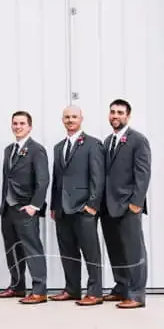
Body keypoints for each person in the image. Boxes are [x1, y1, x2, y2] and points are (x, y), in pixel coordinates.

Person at [48, 105, 105, 306]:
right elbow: (57, 179)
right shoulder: (58, 147)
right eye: (66, 117)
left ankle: (95, 292)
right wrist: (54, 206)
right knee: (68, 251)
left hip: (83, 208)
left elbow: (97, 177)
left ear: (81, 118)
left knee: (91, 252)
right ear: (62, 120)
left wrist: (92, 205)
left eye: (74, 117)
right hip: (62, 209)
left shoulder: (93, 144)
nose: (70, 120)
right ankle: (72, 289)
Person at [0, 112, 49, 304]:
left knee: (32, 249)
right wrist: (3, 205)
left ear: (30, 127)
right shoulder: (9, 150)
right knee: (12, 249)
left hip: (25, 208)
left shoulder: (36, 150)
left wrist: (34, 206)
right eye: (15, 123)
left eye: (22, 124)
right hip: (8, 209)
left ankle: (39, 290)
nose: (18, 127)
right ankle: (17, 286)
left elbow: (43, 181)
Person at [100, 98, 151, 309]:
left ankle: (136, 294)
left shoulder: (138, 140)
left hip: (129, 205)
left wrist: (136, 203)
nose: (115, 116)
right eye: (112, 112)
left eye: (120, 112)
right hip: (109, 206)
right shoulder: (107, 141)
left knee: (133, 250)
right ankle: (121, 287)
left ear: (127, 116)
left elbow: (143, 173)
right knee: (115, 249)